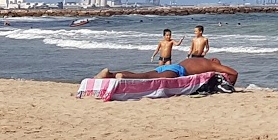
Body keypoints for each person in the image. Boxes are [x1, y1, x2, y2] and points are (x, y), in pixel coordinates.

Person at [93, 57, 238, 85]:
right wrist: (231, 85)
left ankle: (111, 74)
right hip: (178, 70)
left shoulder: (196, 59)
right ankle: (119, 76)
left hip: (170, 66)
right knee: (148, 77)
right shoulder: (211, 65)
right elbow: (234, 73)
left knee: (147, 74)